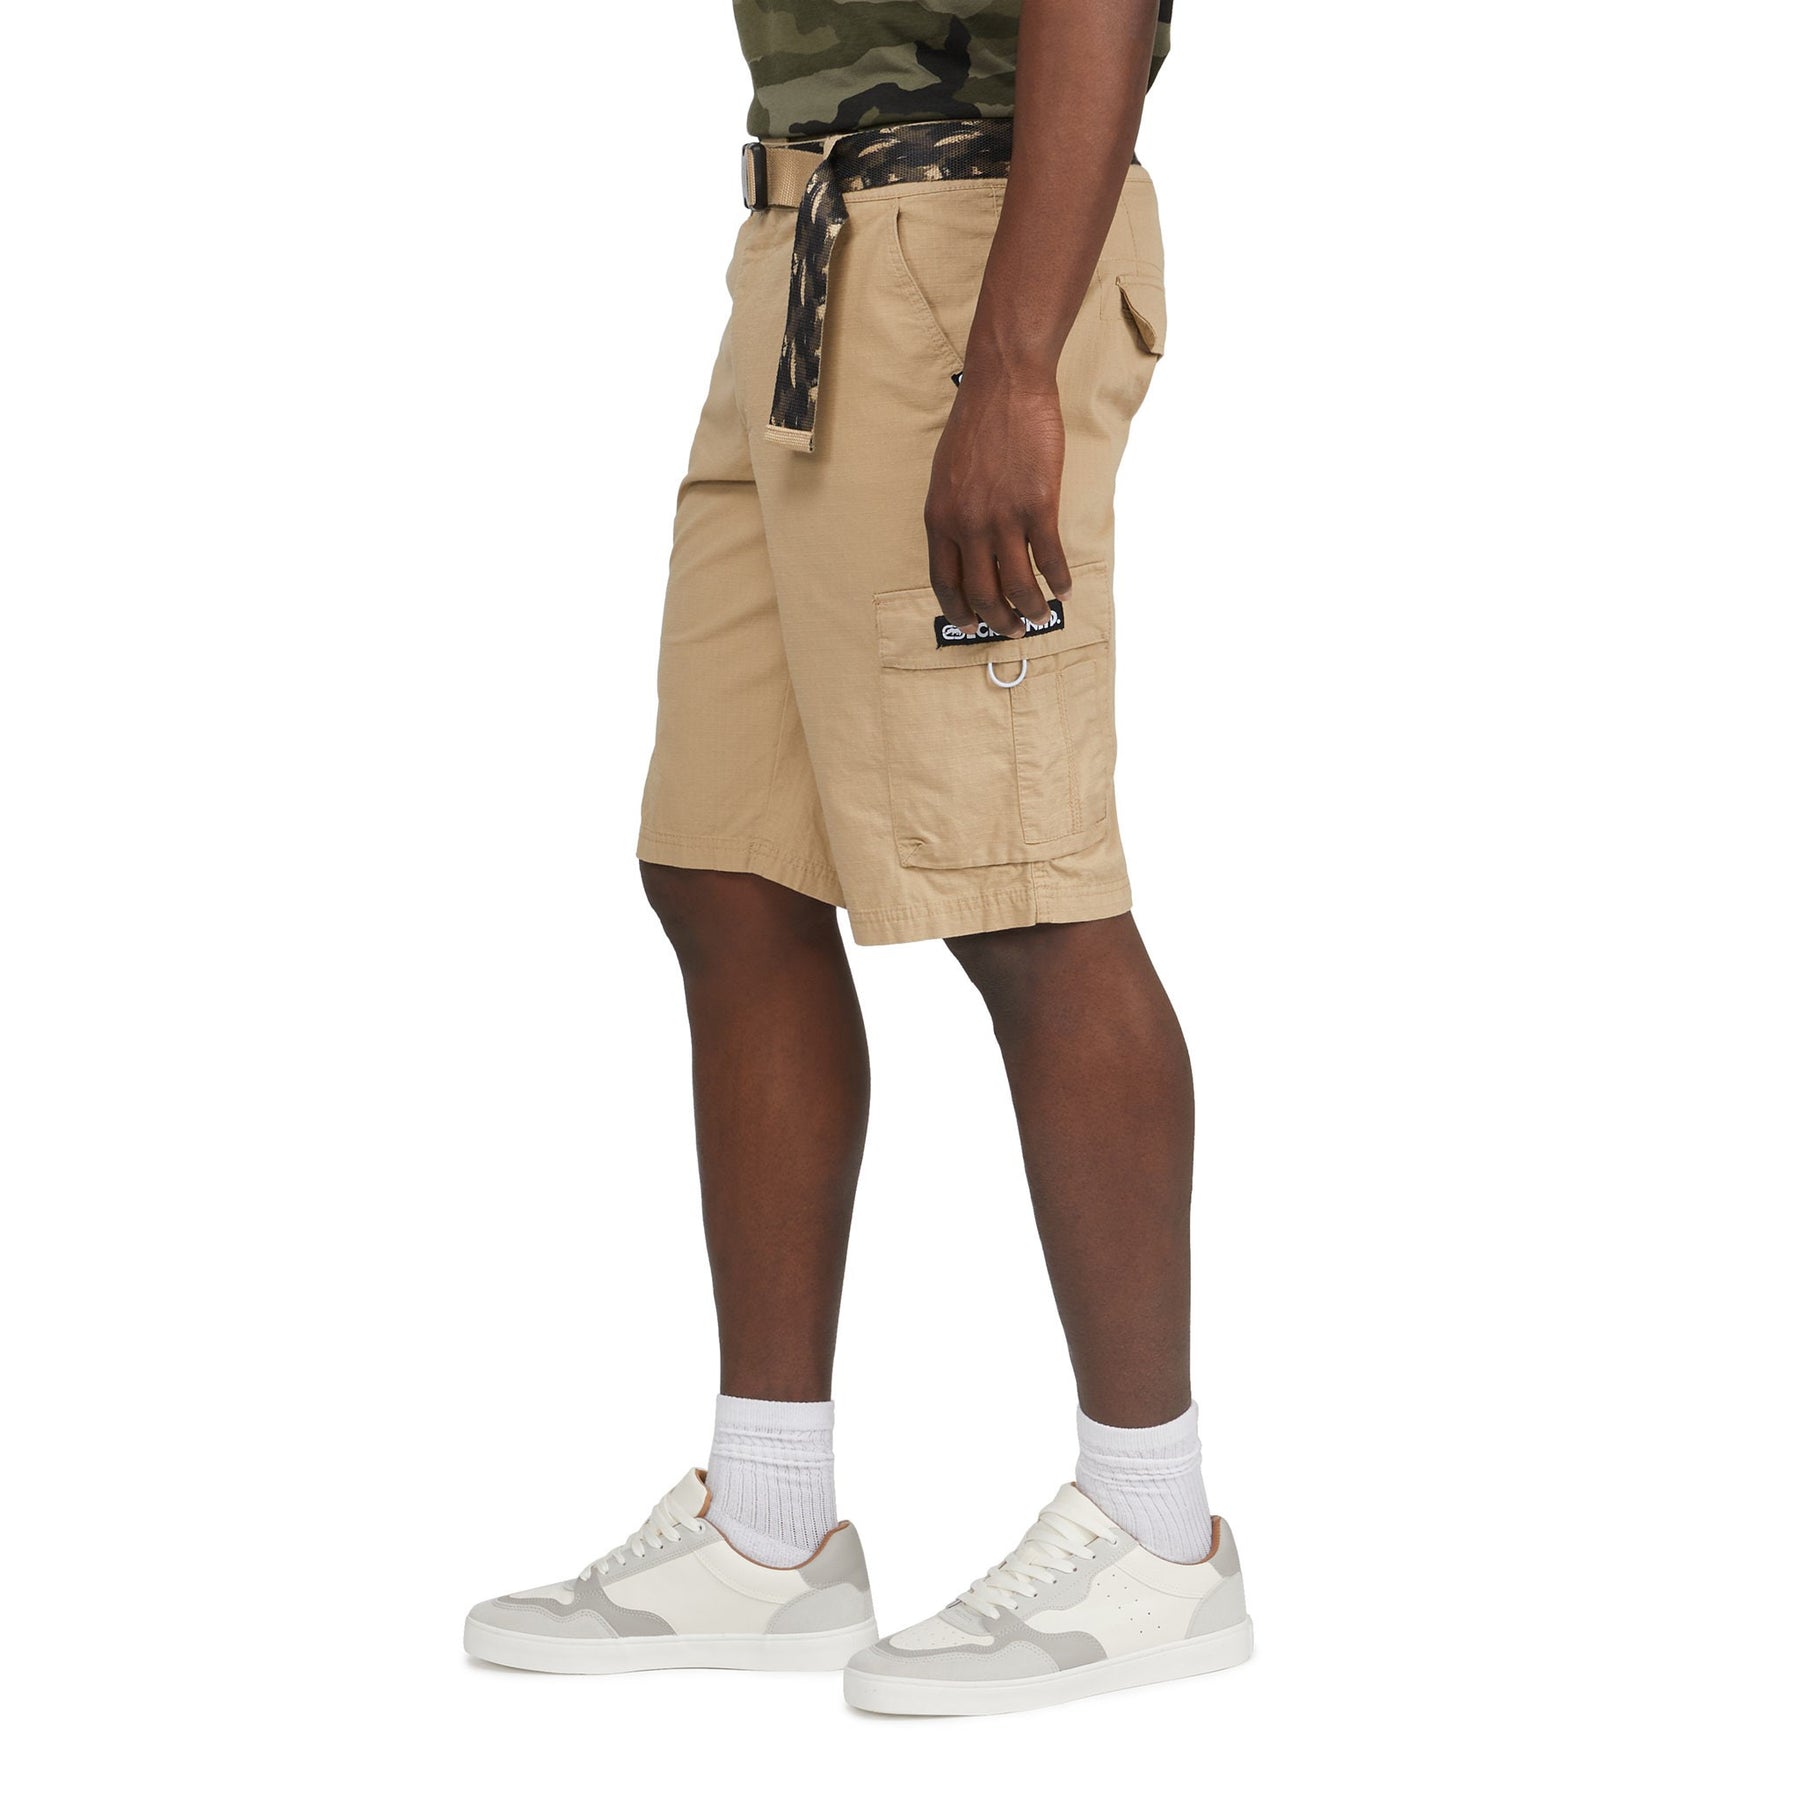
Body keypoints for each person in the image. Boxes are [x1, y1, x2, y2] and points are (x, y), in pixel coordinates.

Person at [464, 0, 1251, 1715]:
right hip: (804, 244)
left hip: (965, 255)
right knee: (728, 864)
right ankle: (767, 1530)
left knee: (1018, 887)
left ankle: (1154, 1525)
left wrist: (1014, 369)